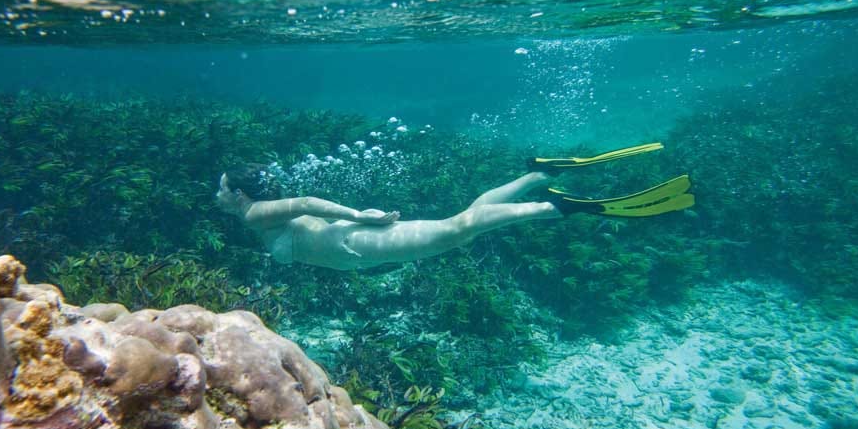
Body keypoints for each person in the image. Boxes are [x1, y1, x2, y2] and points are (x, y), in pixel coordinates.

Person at [216, 144, 694, 271]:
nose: (217, 196)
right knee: (461, 223)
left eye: (221, 190)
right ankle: (539, 173)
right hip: (361, 244)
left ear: (240, 195)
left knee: (460, 228)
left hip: (365, 240)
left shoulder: (254, 213)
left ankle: (554, 207)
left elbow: (305, 202)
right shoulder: (262, 212)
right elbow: (308, 213)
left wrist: (359, 217)